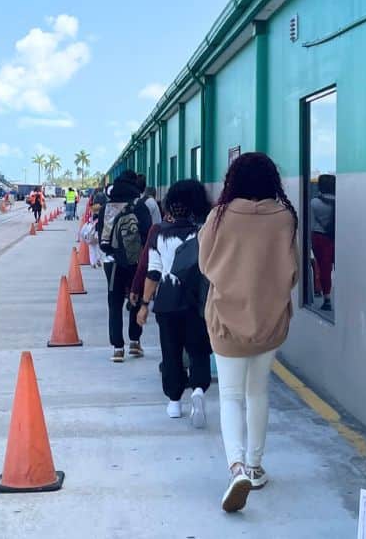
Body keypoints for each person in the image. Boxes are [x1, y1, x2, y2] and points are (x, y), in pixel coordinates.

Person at [198, 152, 298, 513]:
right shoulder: (285, 217)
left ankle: (236, 467)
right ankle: (255, 467)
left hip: (226, 319)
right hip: (270, 320)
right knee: (258, 392)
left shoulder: (220, 216)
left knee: (229, 395)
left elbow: (205, 265)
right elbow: (293, 271)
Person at [136, 179, 214, 426]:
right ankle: (199, 390)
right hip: (197, 303)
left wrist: (144, 304)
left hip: (167, 303)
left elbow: (153, 272)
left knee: (171, 351)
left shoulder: (159, 235)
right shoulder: (204, 233)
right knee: (199, 349)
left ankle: (174, 402)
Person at [96, 170, 153, 363]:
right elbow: (147, 235)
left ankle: (118, 348)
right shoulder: (140, 206)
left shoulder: (106, 207)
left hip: (112, 263)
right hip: (135, 263)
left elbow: (100, 235)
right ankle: (135, 342)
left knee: (114, 303)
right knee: (135, 299)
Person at [309, 174, 336, 310]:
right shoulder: (340, 201)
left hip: (320, 237)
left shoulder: (314, 203)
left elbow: (311, 223)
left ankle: (327, 299)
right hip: (337, 238)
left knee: (324, 268)